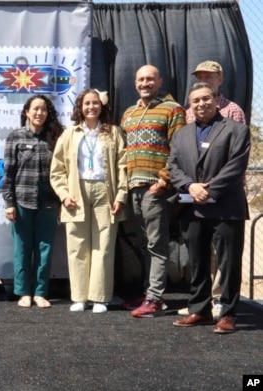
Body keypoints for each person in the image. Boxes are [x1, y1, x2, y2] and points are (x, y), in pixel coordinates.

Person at [169, 82, 250, 334]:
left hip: (226, 208)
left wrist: (209, 189)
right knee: (197, 261)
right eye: (196, 101)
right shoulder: (181, 134)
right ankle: (200, 310)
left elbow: (235, 166)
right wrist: (190, 187)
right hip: (192, 208)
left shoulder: (236, 130)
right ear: (190, 106)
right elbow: (173, 166)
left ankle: (227, 313)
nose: (201, 104)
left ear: (216, 100)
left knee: (228, 262)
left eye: (206, 98)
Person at [50, 89, 128, 313]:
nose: (91, 107)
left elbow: (123, 167)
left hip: (106, 190)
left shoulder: (113, 132)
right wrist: (64, 195)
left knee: (104, 245)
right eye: (87, 103)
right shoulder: (69, 134)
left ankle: (100, 298)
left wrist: (121, 195)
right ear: (80, 107)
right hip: (77, 190)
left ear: (101, 107)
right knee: (77, 245)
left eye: (95, 103)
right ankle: (80, 297)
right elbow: (57, 170)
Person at [120, 65, 186, 318]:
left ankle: (156, 299)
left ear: (159, 82)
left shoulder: (173, 110)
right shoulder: (129, 113)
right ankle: (150, 292)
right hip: (133, 188)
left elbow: (179, 150)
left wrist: (164, 181)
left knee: (157, 245)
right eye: (140, 79)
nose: (145, 83)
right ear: (135, 83)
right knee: (145, 244)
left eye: (150, 79)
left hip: (155, 189)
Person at [1, 95, 63, 308]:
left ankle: (40, 292)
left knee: (45, 249)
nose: (39, 113)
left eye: (43, 109)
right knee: (22, 248)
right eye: (35, 109)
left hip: (49, 202)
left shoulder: (56, 137)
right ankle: (23, 293)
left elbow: (63, 171)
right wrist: (9, 203)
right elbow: (8, 174)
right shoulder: (15, 137)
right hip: (22, 201)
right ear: (27, 112)